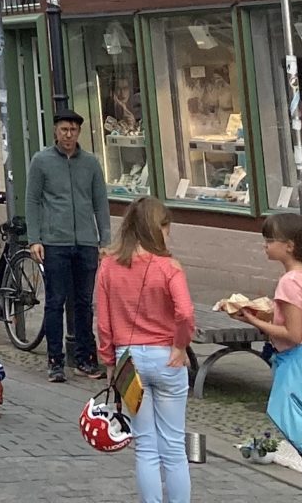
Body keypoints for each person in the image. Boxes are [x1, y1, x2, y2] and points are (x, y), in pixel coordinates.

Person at [231, 213, 302, 503]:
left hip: (300, 364)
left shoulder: (289, 282)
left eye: (270, 240)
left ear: (289, 246)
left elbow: (292, 333)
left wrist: (251, 320)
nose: (265, 246)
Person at [96, 195, 195, 503]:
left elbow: (103, 320)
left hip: (129, 359)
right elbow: (186, 312)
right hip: (166, 356)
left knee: (146, 447)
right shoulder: (168, 267)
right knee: (174, 447)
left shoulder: (109, 266)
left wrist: (108, 360)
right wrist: (180, 345)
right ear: (157, 228)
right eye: (167, 227)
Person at [23, 110, 107, 384]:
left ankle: (84, 358)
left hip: (85, 241)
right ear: (55, 132)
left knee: (84, 302)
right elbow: (33, 200)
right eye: (63, 130)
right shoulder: (42, 161)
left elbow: (100, 203)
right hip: (55, 241)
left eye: (73, 130)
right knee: (55, 302)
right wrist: (35, 238)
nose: (68, 135)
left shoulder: (91, 164)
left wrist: (104, 240)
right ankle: (55, 360)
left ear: (79, 133)